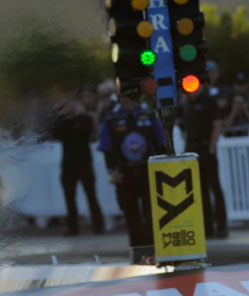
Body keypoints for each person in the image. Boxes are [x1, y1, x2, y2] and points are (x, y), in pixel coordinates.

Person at [97, 95, 167, 253]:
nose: (127, 102)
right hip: (124, 173)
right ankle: (137, 249)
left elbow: (160, 142)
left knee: (150, 212)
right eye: (124, 99)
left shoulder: (148, 115)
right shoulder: (111, 119)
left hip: (147, 171)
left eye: (130, 98)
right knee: (130, 213)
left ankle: (153, 248)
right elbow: (106, 148)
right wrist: (113, 171)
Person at [51, 95, 104, 236]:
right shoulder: (62, 122)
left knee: (91, 194)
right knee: (69, 196)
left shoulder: (84, 119)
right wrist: (66, 118)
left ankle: (98, 225)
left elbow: (88, 130)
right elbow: (56, 133)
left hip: (84, 162)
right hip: (68, 164)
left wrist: (77, 118)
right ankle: (73, 227)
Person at [181, 85, 228, 238]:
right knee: (200, 190)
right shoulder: (187, 104)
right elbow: (186, 129)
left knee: (214, 187)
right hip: (193, 150)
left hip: (206, 148)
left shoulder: (209, 101)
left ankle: (221, 225)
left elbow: (217, 125)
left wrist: (211, 147)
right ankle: (207, 227)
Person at [222, 72, 249, 137]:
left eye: (243, 84)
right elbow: (225, 125)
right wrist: (234, 111)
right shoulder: (228, 102)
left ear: (247, 85)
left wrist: (246, 110)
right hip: (231, 141)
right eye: (238, 84)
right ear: (234, 85)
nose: (240, 87)